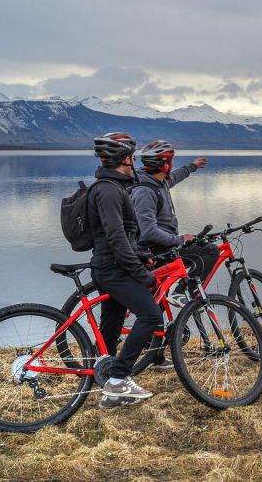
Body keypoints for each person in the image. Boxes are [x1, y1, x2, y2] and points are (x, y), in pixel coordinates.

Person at [89, 132, 160, 408]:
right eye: (131, 156)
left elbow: (125, 238)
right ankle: (119, 378)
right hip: (112, 270)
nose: (134, 162)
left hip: (112, 267)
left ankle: (110, 392)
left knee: (112, 327)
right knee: (150, 315)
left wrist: (142, 256)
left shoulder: (114, 187)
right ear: (125, 158)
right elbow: (116, 239)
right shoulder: (108, 190)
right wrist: (143, 275)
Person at [130, 140, 213, 368]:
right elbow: (148, 231)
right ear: (165, 163)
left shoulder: (159, 181)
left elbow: (174, 177)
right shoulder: (145, 191)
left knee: (154, 304)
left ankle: (154, 356)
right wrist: (180, 239)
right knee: (208, 251)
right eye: (171, 160)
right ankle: (182, 293)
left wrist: (193, 166)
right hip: (156, 249)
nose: (172, 165)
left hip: (159, 247)